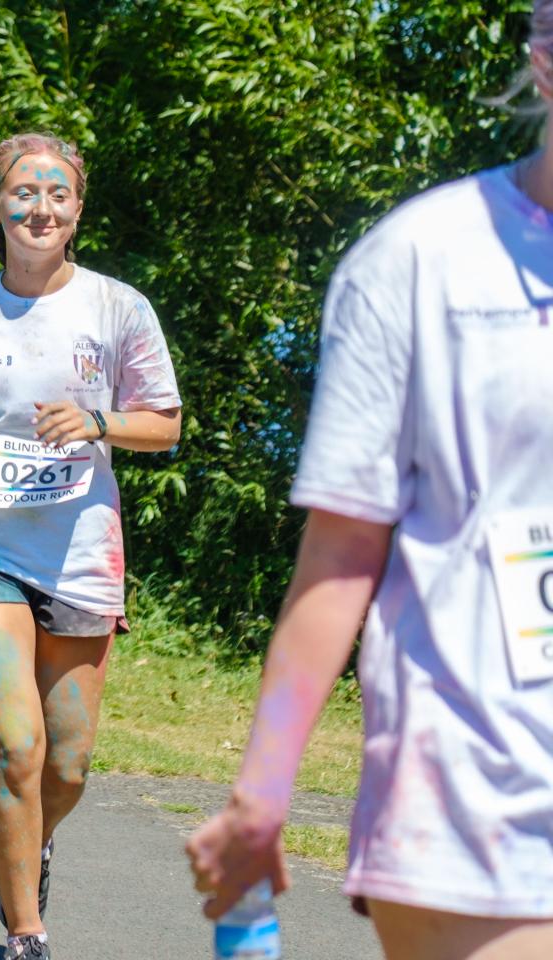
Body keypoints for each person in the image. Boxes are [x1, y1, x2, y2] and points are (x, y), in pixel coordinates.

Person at [186, 8, 553, 957]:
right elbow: (344, 551)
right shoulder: (422, 262)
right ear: (545, 65)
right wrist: (261, 795)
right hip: (488, 792)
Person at [0, 132, 182, 960]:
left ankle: (27, 849)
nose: (40, 208)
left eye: (57, 194)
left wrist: (99, 421)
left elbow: (164, 425)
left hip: (79, 556)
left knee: (64, 766)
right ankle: (26, 933)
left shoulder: (117, 306)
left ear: (77, 210)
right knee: (13, 745)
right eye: (23, 193)